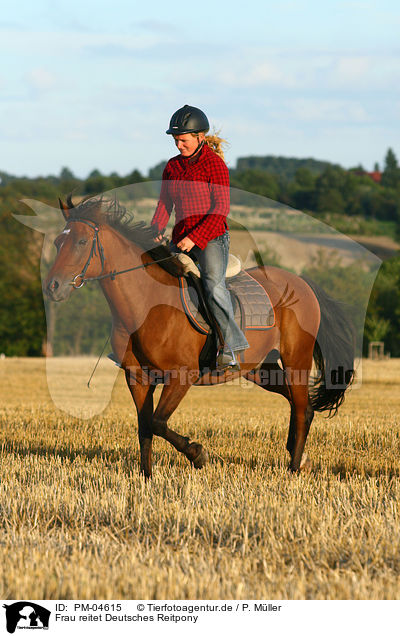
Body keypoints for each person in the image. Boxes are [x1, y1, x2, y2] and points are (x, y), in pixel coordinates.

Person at [151, 104, 249, 371]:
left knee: (212, 285)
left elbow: (221, 210)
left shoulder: (215, 165)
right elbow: (164, 204)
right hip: (181, 239)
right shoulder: (172, 167)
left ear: (199, 137)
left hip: (213, 239)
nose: (178, 145)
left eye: (183, 140)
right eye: (176, 140)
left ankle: (230, 347)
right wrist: (156, 228)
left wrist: (195, 239)